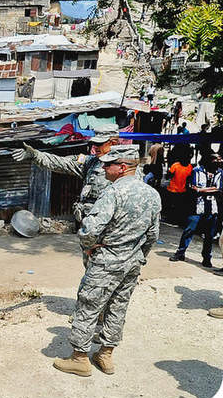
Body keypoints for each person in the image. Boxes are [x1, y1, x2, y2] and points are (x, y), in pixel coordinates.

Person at [53, 146, 161, 377]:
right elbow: (153, 235)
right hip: (132, 262)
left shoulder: (113, 193)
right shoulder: (152, 194)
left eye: (108, 164)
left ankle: (80, 358)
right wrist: (140, 256)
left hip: (107, 262)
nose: (103, 167)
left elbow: (89, 229)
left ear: (122, 168)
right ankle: (105, 354)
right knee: (118, 307)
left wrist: (89, 247)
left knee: (89, 305)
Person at [13, 132, 131, 225]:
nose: (96, 147)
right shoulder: (91, 162)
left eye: (100, 144)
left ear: (113, 143)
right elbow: (61, 163)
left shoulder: (127, 167)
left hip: (111, 227)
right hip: (90, 227)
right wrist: (35, 155)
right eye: (95, 144)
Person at [170, 154, 221, 267]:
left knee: (209, 235)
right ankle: (180, 253)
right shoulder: (196, 171)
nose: (219, 161)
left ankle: (207, 258)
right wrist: (209, 190)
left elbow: (218, 189)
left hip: (212, 207)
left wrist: (201, 190)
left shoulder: (220, 173)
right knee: (189, 230)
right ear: (208, 160)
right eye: (216, 159)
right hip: (197, 206)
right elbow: (192, 188)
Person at [165, 150, 193, 224]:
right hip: (179, 190)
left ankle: (171, 219)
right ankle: (175, 220)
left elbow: (168, 176)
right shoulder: (189, 166)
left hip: (174, 189)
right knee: (178, 206)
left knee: (173, 206)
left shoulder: (176, 165)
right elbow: (189, 178)